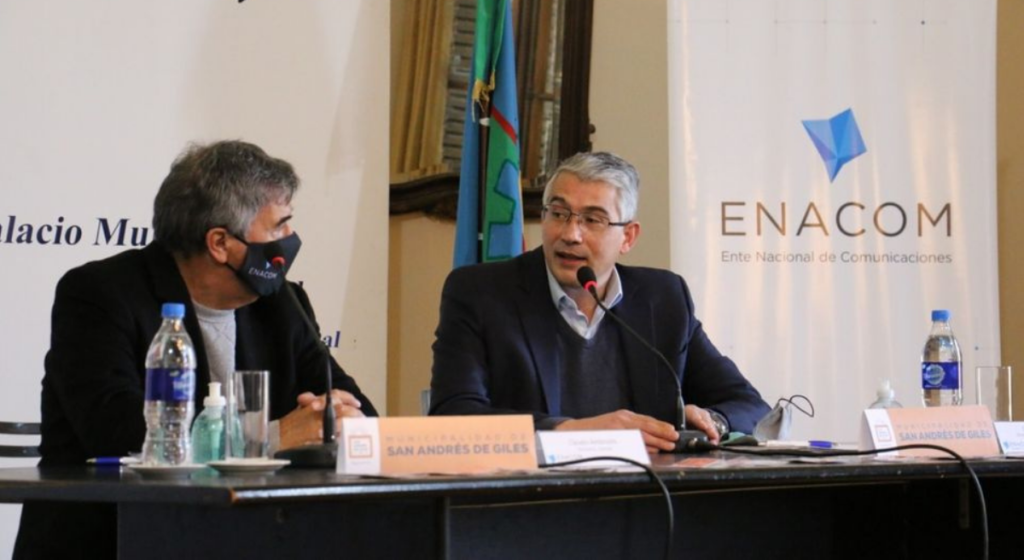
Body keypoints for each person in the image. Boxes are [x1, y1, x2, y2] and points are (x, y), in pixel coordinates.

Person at [14, 140, 377, 559]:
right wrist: (275, 437)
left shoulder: (283, 305)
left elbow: (359, 410)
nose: (290, 239)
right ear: (219, 242)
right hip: (113, 539)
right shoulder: (100, 294)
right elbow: (122, 435)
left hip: (240, 539)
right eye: (279, 225)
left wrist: (339, 420)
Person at [429, 151, 768, 452]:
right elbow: (453, 415)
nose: (570, 234)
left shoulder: (663, 298)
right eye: (558, 213)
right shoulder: (481, 293)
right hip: (528, 495)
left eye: (592, 220)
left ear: (628, 237)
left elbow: (749, 404)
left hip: (647, 495)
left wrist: (712, 420)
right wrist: (574, 432)